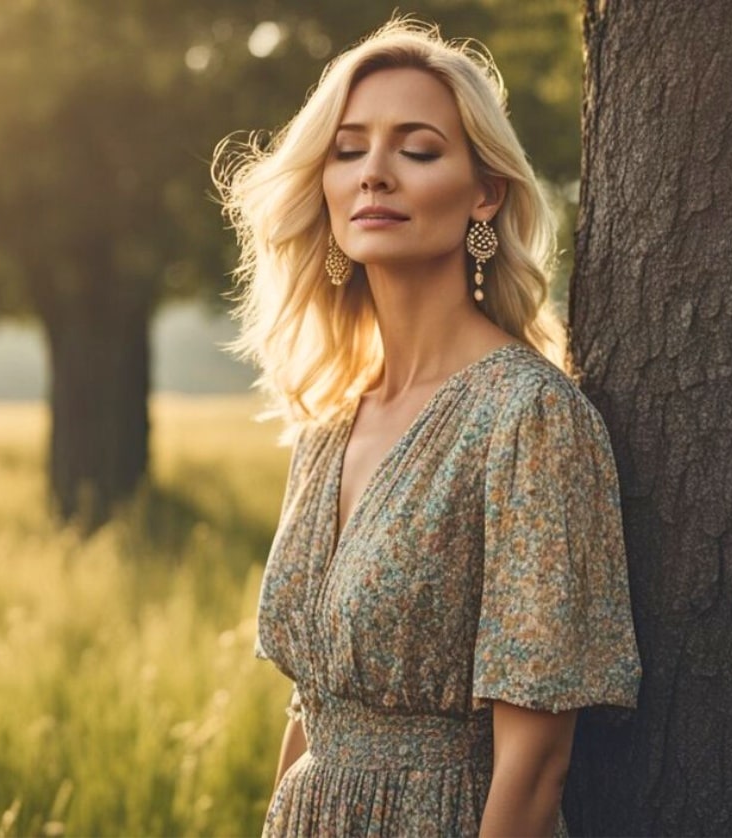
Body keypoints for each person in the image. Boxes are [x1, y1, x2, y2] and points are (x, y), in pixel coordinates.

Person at [214, 17, 641, 837]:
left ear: (485, 192)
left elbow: (539, 760)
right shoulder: (332, 421)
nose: (375, 173)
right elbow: (314, 708)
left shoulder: (528, 418)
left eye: (416, 150)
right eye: (347, 151)